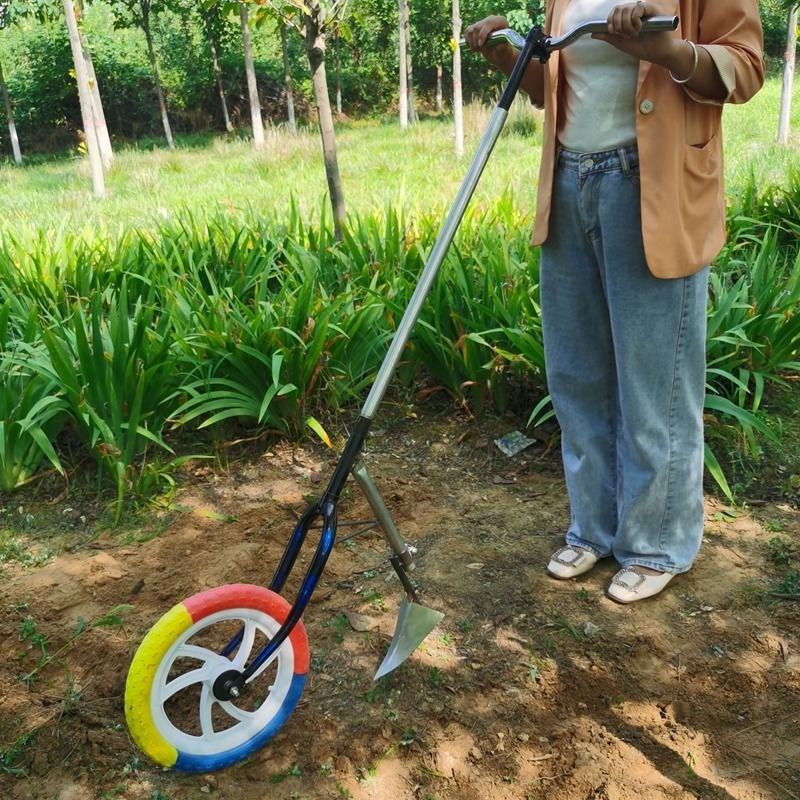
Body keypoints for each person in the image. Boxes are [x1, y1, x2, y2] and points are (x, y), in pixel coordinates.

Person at [465, 1, 764, 603]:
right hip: (570, 180)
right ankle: (593, 529)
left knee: (654, 381)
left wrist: (668, 52)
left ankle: (657, 542)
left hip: (652, 183)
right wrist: (507, 51)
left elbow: (746, 67)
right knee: (577, 375)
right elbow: (554, 88)